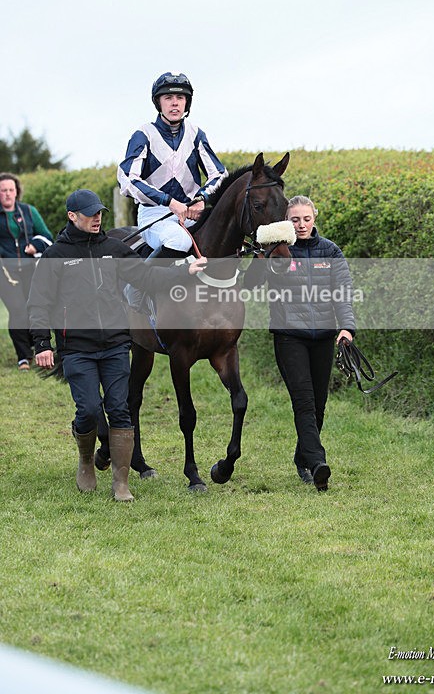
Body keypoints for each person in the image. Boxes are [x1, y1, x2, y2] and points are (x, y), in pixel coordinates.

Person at [28, 189, 207, 502]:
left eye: (99, 212)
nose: (96, 218)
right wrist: (42, 343)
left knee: (119, 410)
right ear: (72, 216)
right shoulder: (56, 255)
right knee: (88, 410)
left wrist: (183, 272)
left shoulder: (114, 249)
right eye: (89, 214)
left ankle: (121, 483)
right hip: (77, 348)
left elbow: (147, 278)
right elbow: (39, 301)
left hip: (115, 345)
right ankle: (86, 460)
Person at [244, 195, 355, 491]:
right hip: (289, 337)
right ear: (286, 221)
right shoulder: (278, 251)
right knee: (304, 402)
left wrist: (347, 328)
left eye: (307, 219)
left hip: (324, 337)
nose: (302, 224)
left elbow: (343, 292)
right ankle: (318, 464)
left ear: (314, 218)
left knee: (319, 405)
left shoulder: (330, 251)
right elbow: (249, 285)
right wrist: (260, 259)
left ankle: (302, 457)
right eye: (295, 219)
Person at [117, 71, 228, 257]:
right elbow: (127, 179)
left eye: (180, 97)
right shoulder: (143, 134)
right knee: (179, 240)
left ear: (186, 103)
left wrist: (201, 199)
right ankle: (143, 277)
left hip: (191, 213)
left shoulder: (196, 134)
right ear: (158, 102)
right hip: (155, 214)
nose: (175, 103)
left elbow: (219, 174)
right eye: (168, 98)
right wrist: (168, 201)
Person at [0, 172, 53, 370]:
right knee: (17, 309)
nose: (7, 194)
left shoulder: (29, 211)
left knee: (34, 308)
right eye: (3, 190)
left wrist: (35, 246)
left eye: (10, 190)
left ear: (16, 191)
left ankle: (37, 347)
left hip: (30, 268)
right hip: (5, 271)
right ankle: (23, 356)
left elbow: (46, 235)